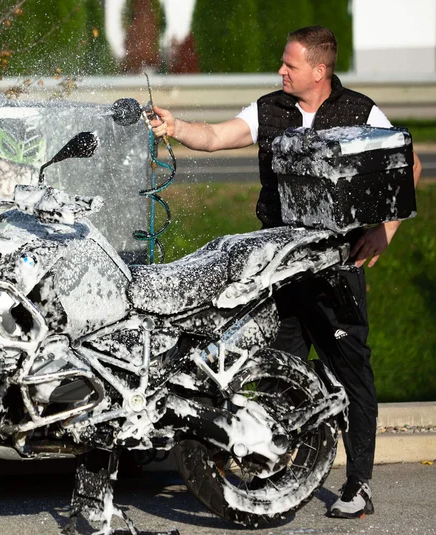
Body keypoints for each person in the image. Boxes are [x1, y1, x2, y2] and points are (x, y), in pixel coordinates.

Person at [149, 26, 422, 519]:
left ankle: (357, 484)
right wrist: (176, 127)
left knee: (352, 373)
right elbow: (213, 137)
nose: (281, 71)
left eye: (289, 65)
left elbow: (411, 165)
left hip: (336, 269)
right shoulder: (270, 108)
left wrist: (384, 230)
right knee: (279, 375)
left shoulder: (360, 112)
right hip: (278, 269)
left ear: (319, 71)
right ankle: (280, 476)